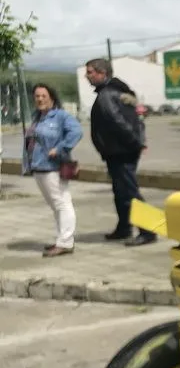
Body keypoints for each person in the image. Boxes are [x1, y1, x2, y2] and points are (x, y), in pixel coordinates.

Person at [84, 57, 155, 246]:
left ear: (102, 73)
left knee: (129, 191)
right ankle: (124, 227)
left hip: (121, 152)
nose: (87, 76)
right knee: (120, 191)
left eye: (90, 72)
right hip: (119, 151)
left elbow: (118, 122)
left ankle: (149, 231)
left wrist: (133, 142)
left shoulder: (107, 94)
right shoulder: (117, 90)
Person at [22, 84, 83, 257]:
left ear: (52, 97)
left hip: (53, 167)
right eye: (37, 96)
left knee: (62, 203)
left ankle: (65, 242)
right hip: (39, 166)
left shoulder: (61, 116)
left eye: (43, 96)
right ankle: (61, 239)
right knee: (55, 206)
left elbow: (77, 131)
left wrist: (60, 147)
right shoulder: (37, 117)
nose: (40, 99)